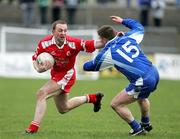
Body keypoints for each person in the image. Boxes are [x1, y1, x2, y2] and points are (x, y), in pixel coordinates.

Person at [83, 15, 159, 136]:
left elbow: (90, 67)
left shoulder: (108, 52)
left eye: (100, 39)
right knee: (142, 97)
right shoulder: (129, 37)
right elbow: (139, 27)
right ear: (116, 32)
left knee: (116, 104)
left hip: (142, 80)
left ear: (103, 39)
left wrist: (78, 58)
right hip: (154, 72)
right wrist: (123, 21)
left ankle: (137, 129)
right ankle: (146, 123)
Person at [25, 20, 104, 134]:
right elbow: (35, 59)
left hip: (67, 74)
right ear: (53, 31)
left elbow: (94, 44)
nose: (63, 33)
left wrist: (111, 40)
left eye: (65, 30)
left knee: (41, 93)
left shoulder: (73, 43)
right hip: (56, 75)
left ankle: (33, 129)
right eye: (60, 30)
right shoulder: (44, 43)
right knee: (64, 108)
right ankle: (93, 98)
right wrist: (39, 68)